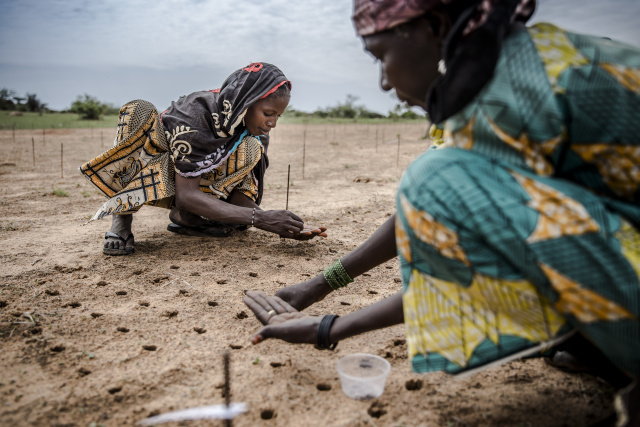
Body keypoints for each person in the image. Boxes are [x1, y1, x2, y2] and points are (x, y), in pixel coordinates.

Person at [243, 1, 640, 425]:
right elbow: (428, 210)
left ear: (433, 26)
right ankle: (600, 346)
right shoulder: (502, 76)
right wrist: (320, 286)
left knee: (432, 176)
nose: (382, 82)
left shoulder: (517, 94)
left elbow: (474, 264)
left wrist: (330, 328)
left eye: (381, 57)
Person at [79, 62, 327, 255]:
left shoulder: (253, 133)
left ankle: (186, 218)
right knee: (138, 111)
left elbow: (239, 196)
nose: (272, 123)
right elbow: (187, 194)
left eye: (278, 116)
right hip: (156, 172)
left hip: (192, 186)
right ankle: (121, 221)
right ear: (245, 103)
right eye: (268, 113)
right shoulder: (197, 117)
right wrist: (262, 219)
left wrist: (282, 225)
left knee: (253, 147)